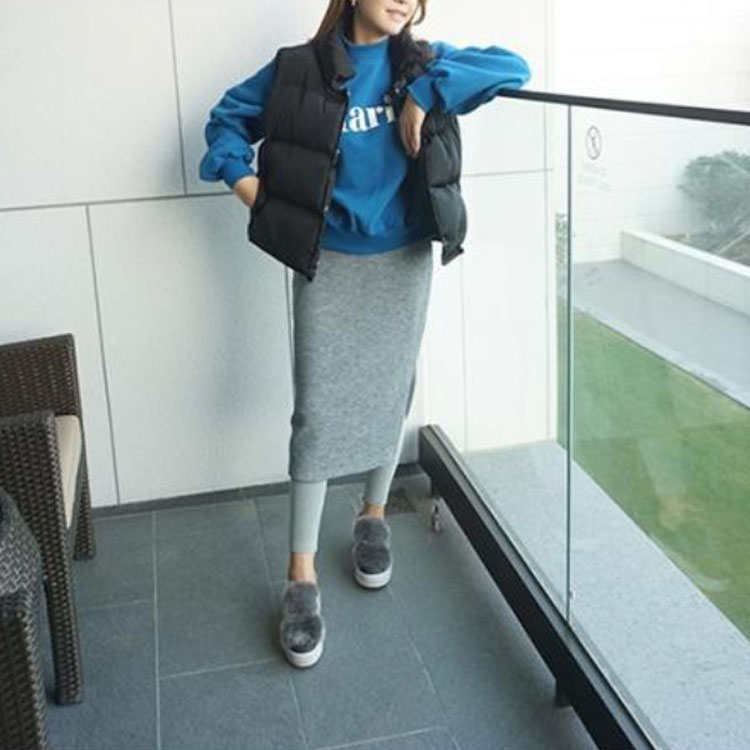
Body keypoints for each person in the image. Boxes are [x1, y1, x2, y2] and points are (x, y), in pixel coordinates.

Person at [199, 0, 531, 668]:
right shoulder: (298, 70)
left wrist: (426, 95)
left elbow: (514, 67)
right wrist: (254, 191)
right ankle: (300, 574)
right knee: (318, 413)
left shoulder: (425, 63)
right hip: (330, 260)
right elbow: (224, 123)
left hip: (404, 258)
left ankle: (373, 516)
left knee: (391, 388)